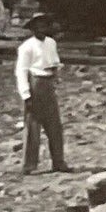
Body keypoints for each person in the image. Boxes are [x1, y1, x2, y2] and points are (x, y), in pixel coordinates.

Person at [15, 10, 68, 173]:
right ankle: (29, 165)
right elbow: (21, 71)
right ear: (33, 28)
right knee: (33, 126)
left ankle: (58, 162)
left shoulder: (51, 43)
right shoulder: (27, 47)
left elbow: (55, 61)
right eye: (38, 25)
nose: (42, 28)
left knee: (54, 125)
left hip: (48, 84)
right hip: (35, 83)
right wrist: (26, 94)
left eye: (44, 24)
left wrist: (57, 71)